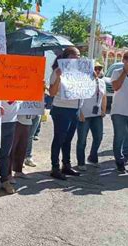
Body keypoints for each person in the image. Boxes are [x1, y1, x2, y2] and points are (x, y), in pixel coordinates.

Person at [48, 47, 82, 180]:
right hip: (61, 109)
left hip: (75, 109)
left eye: (79, 56)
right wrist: (59, 77)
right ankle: (54, 167)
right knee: (59, 139)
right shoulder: (57, 71)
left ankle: (66, 165)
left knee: (68, 140)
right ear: (67, 57)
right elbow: (51, 92)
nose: (77, 58)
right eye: (75, 56)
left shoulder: (79, 71)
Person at [75, 64, 107, 171]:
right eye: (95, 68)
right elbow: (78, 97)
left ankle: (93, 157)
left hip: (96, 114)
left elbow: (104, 96)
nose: (97, 71)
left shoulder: (102, 82)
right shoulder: (83, 82)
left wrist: (103, 110)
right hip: (85, 114)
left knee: (98, 137)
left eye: (99, 68)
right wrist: (80, 112)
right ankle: (81, 161)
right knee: (82, 140)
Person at [11, 115, 35, 179]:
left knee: (22, 147)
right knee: (12, 148)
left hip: (27, 121)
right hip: (16, 120)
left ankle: (18, 171)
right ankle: (8, 174)